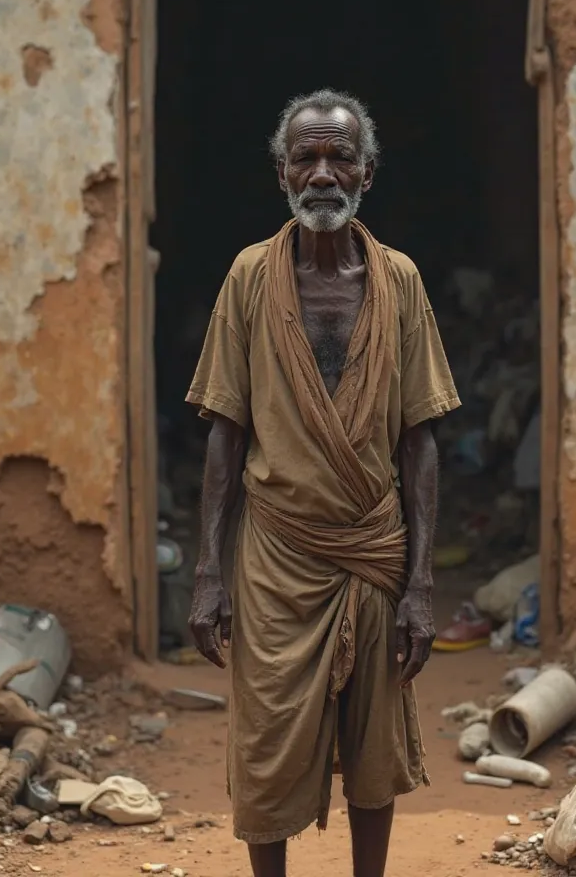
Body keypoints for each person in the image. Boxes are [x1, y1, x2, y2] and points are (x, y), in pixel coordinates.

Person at [187, 89, 460, 877]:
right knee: (267, 745)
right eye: (305, 157)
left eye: (339, 156)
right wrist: (209, 571)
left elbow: (421, 440)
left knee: (374, 751)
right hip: (274, 554)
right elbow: (224, 434)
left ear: (367, 173)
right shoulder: (248, 277)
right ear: (281, 174)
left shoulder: (400, 281)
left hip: (374, 549)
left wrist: (420, 583)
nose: (322, 172)